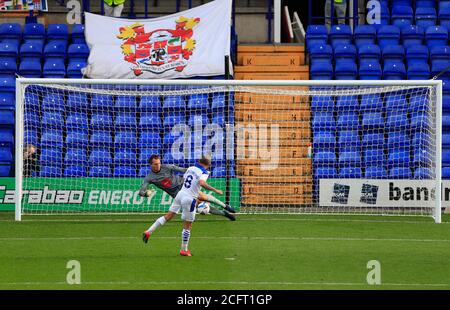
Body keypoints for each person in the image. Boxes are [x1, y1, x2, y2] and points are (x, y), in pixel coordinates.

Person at [140, 155, 236, 240]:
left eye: (159, 163)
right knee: (200, 205)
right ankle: (224, 213)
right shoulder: (149, 177)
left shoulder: (167, 167)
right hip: (177, 194)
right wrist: (146, 194)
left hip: (184, 185)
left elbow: (181, 169)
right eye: (156, 164)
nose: (158, 165)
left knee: (203, 197)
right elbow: (141, 192)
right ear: (151, 165)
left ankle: (225, 206)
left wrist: (194, 171)